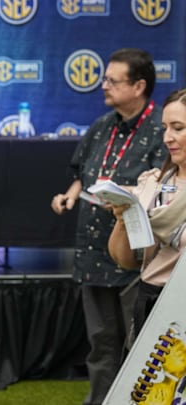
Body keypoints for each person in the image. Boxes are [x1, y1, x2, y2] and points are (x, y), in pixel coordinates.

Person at [51, 48, 167, 405]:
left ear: (139, 86)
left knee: (139, 339)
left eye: (113, 81)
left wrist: (126, 193)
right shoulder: (103, 124)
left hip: (137, 254)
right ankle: (100, 399)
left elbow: (164, 186)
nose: (104, 86)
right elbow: (81, 171)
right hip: (92, 249)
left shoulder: (164, 127)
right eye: (105, 79)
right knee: (101, 339)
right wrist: (70, 194)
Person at [108, 88, 186, 341]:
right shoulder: (151, 184)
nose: (167, 138)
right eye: (165, 128)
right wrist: (122, 219)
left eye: (178, 128)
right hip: (152, 303)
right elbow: (126, 261)